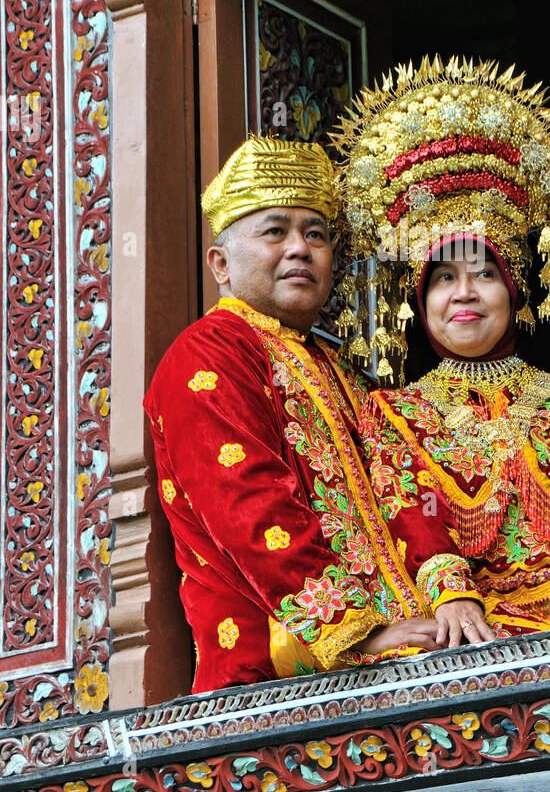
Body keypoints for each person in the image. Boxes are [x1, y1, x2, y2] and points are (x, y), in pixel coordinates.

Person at [333, 57, 550, 633]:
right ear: (420, 305)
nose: (463, 293)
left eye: (484, 274)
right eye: (443, 278)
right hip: (480, 640)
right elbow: (409, 522)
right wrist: (451, 596)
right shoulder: (396, 417)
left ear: (516, 292)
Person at [144, 135, 492, 693]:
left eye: (316, 234)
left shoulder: (341, 372)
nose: (300, 248)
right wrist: (358, 631)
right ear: (220, 264)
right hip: (275, 674)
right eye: (275, 231)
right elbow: (249, 505)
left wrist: (452, 592)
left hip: (411, 642)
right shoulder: (207, 353)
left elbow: (402, 485)